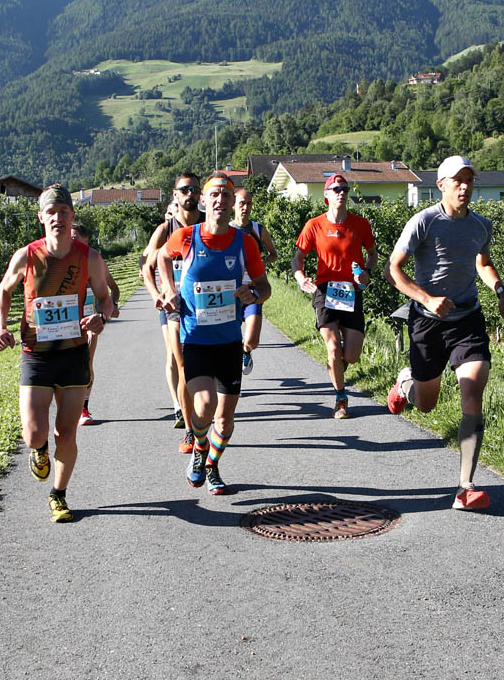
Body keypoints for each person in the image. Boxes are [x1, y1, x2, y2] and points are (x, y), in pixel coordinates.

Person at [384, 156, 504, 511]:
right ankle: (405, 385)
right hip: (427, 322)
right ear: (441, 184)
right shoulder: (423, 222)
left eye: (469, 181)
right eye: (457, 181)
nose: (464, 187)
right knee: (426, 405)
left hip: (467, 320)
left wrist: (501, 291)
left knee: (472, 392)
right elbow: (392, 270)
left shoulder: (481, 225)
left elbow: (483, 262)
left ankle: (466, 487)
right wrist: (426, 298)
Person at [0, 185, 117, 522]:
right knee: (34, 433)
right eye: (52, 213)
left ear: (72, 216)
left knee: (67, 430)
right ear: (41, 218)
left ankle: (58, 495)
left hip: (73, 353)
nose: (58, 218)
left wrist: (100, 316)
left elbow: (105, 298)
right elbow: (3, 292)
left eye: (64, 212)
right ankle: (39, 449)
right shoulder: (26, 256)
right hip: (37, 354)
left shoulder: (89, 257)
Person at [156, 172, 270, 495]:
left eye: (226, 195)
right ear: (204, 202)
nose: (220, 200)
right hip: (195, 339)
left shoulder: (244, 242)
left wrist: (254, 294)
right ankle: (199, 450)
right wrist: (168, 287)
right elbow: (163, 257)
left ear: (233, 203)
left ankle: (212, 464)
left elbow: (265, 286)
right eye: (214, 195)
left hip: (230, 342)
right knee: (203, 406)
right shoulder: (188, 237)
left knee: (225, 420)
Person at [290, 173, 376, 419]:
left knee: (351, 355)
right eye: (336, 189)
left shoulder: (361, 224)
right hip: (325, 290)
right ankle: (341, 398)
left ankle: (337, 365)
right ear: (326, 195)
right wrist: (300, 278)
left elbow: (372, 254)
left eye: (345, 189)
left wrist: (367, 273)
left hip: (351, 291)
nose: (341, 193)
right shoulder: (314, 225)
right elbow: (298, 258)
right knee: (332, 347)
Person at [141, 172, 202, 453]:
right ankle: (188, 425)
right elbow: (147, 267)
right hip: (173, 305)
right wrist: (158, 295)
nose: (189, 194)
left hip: (205, 306)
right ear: (176, 196)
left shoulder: (208, 224)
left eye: (194, 189)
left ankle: (199, 413)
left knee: (203, 367)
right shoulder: (165, 229)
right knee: (181, 363)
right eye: (184, 190)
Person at [72, 222, 120, 427]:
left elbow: (113, 288)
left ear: (86, 240)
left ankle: (83, 408)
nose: (71, 242)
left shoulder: (95, 261)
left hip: (91, 321)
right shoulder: (59, 261)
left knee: (86, 362)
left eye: (76, 238)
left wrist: (111, 306)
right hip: (67, 323)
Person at [231, 187, 279, 375]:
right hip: (231, 291)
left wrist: (261, 262)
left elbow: (273, 254)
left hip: (253, 289)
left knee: (251, 340)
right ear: (234, 205)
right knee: (229, 339)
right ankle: (231, 380)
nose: (245, 207)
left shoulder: (259, 230)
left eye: (249, 203)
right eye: (242, 203)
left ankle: (246, 351)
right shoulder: (225, 230)